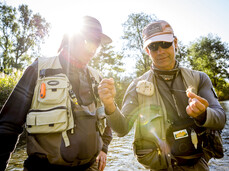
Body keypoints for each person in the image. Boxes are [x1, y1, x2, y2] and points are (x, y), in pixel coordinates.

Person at [98, 20, 226, 170]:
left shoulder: (200, 78)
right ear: (147, 51)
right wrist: (109, 105)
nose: (160, 51)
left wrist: (203, 114)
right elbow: (122, 129)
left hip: (198, 165)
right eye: (153, 47)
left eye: (165, 44)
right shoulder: (136, 86)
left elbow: (220, 119)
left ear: (175, 43)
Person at [0, 16, 112, 171]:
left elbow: (109, 117)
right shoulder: (37, 70)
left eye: (97, 43)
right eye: (88, 41)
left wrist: (103, 148)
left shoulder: (97, 77)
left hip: (90, 167)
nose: (93, 49)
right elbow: (8, 125)